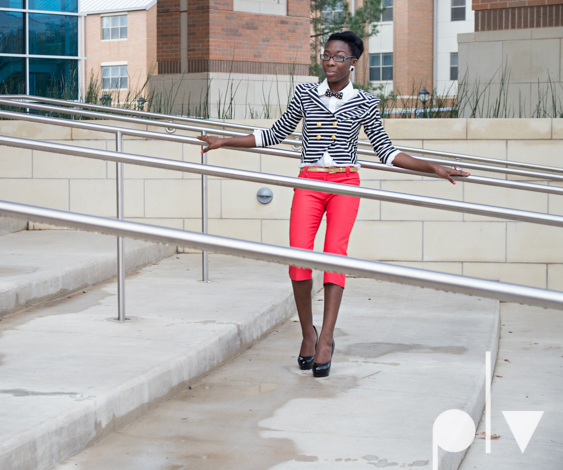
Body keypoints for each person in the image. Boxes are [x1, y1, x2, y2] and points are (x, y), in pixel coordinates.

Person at [198, 31, 469, 378]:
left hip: (345, 183)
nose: (329, 61)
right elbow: (275, 133)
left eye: (338, 57)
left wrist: (433, 167)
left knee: (334, 255)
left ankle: (326, 338)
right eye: (326, 55)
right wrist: (224, 141)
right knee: (299, 256)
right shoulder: (305, 93)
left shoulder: (367, 102)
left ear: (353, 63)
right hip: (309, 181)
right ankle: (307, 333)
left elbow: (386, 151)